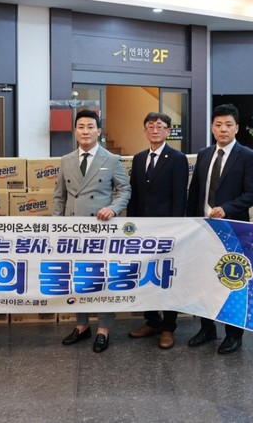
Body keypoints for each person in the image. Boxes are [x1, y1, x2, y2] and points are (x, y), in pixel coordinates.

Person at [186, 103, 253, 354]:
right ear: (212, 127)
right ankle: (207, 328)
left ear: (237, 127)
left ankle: (233, 334)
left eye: (228, 125)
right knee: (203, 279)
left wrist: (227, 208)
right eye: (218, 125)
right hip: (203, 228)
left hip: (233, 229)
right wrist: (190, 223)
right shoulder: (204, 154)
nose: (223, 129)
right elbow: (195, 191)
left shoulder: (248, 156)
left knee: (232, 280)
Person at [54, 109, 131, 353]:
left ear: (99, 131)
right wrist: (57, 225)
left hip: (101, 230)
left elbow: (124, 190)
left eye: (90, 127)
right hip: (73, 230)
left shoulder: (112, 159)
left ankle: (103, 329)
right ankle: (82, 325)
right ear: (75, 131)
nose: (85, 131)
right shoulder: (66, 160)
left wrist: (113, 209)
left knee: (102, 277)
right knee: (78, 277)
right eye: (81, 127)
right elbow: (59, 196)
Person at [126, 112, 188, 350]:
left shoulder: (177, 158)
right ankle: (152, 321)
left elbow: (179, 197)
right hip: (142, 230)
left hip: (167, 229)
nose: (155, 130)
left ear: (168, 131)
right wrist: (131, 228)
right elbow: (134, 195)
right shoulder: (139, 158)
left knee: (167, 277)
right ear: (145, 131)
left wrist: (175, 229)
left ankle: (168, 328)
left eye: (160, 126)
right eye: (150, 126)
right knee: (146, 275)